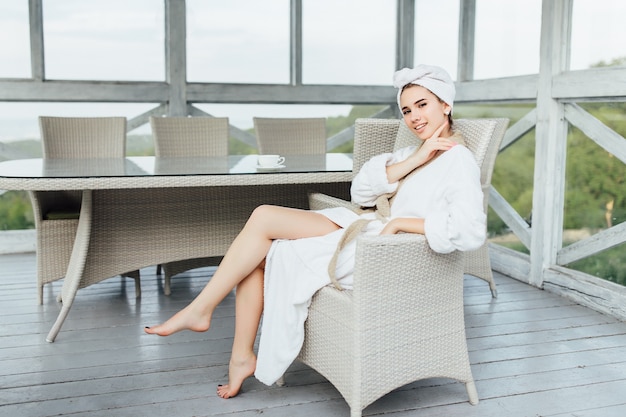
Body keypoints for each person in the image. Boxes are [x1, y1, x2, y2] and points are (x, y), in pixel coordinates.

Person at [145, 64, 487, 399]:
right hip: (368, 230)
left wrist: (399, 223)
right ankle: (217, 327)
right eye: (406, 110)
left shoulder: (458, 161)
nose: (414, 117)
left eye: (423, 105)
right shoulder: (413, 151)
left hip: (390, 253)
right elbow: (361, 192)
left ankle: (232, 346)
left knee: (261, 253)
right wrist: (416, 159)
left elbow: (469, 230)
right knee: (263, 217)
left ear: (445, 104)